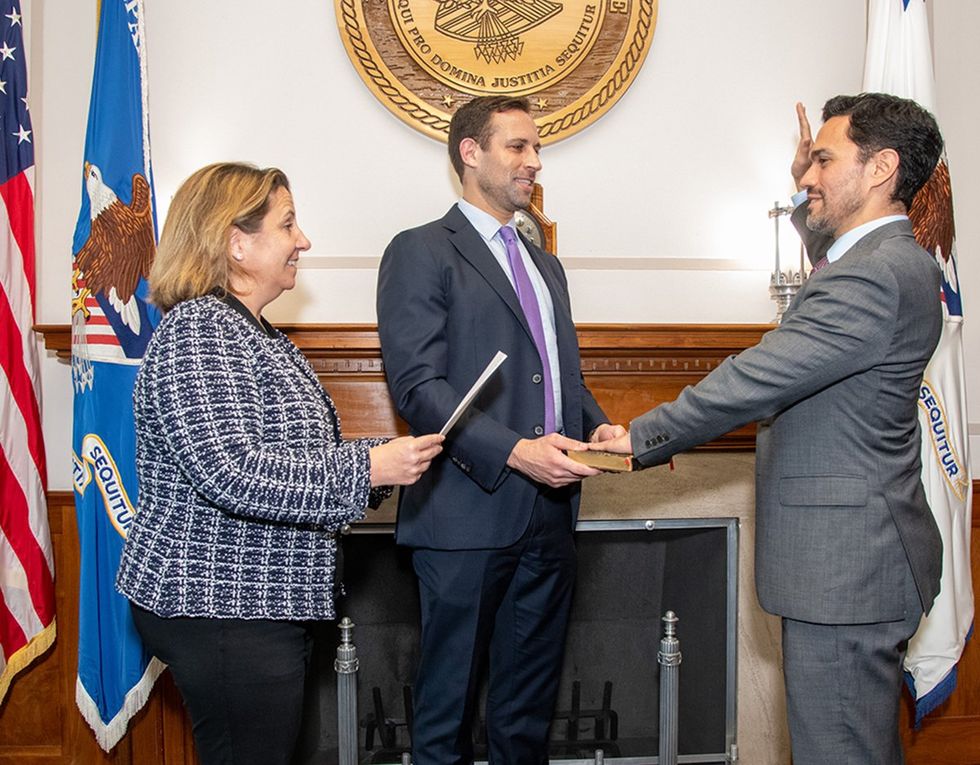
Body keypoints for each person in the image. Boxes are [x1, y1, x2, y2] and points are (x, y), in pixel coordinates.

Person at [596, 93, 945, 765]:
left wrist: (640, 437)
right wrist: (805, 195)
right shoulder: (881, 263)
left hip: (846, 568)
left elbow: (756, 376)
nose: (808, 175)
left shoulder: (873, 277)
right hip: (854, 563)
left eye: (824, 159)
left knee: (839, 751)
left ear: (880, 169)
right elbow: (832, 246)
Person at [115, 162, 444, 765]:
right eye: (287, 224)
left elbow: (294, 460)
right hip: (221, 603)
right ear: (237, 243)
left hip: (252, 603)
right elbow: (233, 471)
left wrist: (384, 461)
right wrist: (368, 469)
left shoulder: (255, 334)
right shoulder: (200, 331)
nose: (304, 240)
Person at [376, 96, 625, 764]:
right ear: (470, 151)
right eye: (518, 147)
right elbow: (420, 390)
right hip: (463, 518)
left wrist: (599, 429)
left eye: (537, 149)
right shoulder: (420, 251)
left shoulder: (547, 265)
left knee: (526, 718)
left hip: (550, 518)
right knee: (446, 717)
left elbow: (560, 378)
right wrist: (515, 451)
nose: (534, 163)